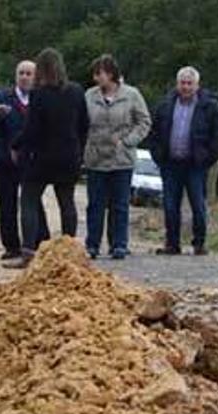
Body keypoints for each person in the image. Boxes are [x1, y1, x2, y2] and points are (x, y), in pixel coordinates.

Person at [3, 48, 89, 268]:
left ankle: (28, 253)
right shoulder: (77, 91)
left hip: (42, 157)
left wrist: (16, 145)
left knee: (29, 200)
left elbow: (32, 129)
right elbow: (84, 125)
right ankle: (70, 252)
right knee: (66, 202)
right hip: (69, 156)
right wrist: (78, 150)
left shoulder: (39, 94)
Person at [148, 66, 218, 256]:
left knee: (198, 204)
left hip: (196, 164)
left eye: (190, 83)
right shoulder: (165, 105)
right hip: (170, 163)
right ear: (177, 84)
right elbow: (154, 131)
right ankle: (172, 243)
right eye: (182, 83)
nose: (186, 87)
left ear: (197, 85)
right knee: (170, 205)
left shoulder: (210, 107)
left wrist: (207, 158)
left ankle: (199, 243)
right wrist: (158, 155)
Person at [83, 55, 151, 260]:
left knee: (120, 205)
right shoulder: (89, 95)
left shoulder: (132, 95)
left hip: (121, 159)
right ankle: (92, 244)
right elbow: (80, 122)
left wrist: (128, 141)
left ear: (110, 74)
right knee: (95, 204)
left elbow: (144, 122)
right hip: (95, 158)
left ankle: (119, 244)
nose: (96, 78)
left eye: (99, 73)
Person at [0, 60, 50, 260]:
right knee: (7, 204)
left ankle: (40, 241)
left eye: (28, 73)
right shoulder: (3, 96)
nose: (24, 77)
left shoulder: (41, 97)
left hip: (30, 159)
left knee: (33, 202)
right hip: (5, 158)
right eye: (21, 73)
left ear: (36, 77)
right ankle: (11, 245)